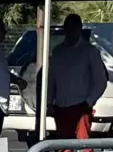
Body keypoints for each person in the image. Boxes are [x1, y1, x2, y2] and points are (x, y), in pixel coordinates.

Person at [45, 12, 109, 141]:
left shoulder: (90, 51)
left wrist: (88, 102)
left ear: (80, 28)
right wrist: (49, 102)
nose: (71, 30)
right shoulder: (58, 52)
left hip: (81, 106)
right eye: (68, 27)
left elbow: (101, 80)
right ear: (65, 29)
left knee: (84, 144)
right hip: (61, 106)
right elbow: (51, 79)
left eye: (74, 27)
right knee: (63, 146)